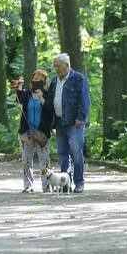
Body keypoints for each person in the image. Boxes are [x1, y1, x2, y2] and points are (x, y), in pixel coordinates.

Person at [46, 53, 90, 193]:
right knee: (62, 153)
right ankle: (65, 183)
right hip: (59, 122)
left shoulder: (78, 79)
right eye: (55, 66)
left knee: (76, 152)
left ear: (67, 65)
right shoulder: (54, 82)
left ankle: (79, 182)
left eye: (58, 66)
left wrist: (81, 117)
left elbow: (84, 100)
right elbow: (49, 102)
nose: (56, 69)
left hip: (74, 122)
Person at [10, 70, 53, 192]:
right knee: (26, 160)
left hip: (42, 133)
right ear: (32, 79)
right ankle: (28, 185)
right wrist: (19, 87)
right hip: (26, 133)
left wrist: (41, 98)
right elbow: (19, 100)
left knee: (44, 160)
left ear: (44, 82)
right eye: (35, 77)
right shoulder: (27, 93)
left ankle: (47, 185)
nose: (37, 79)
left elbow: (50, 111)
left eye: (40, 78)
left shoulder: (47, 94)